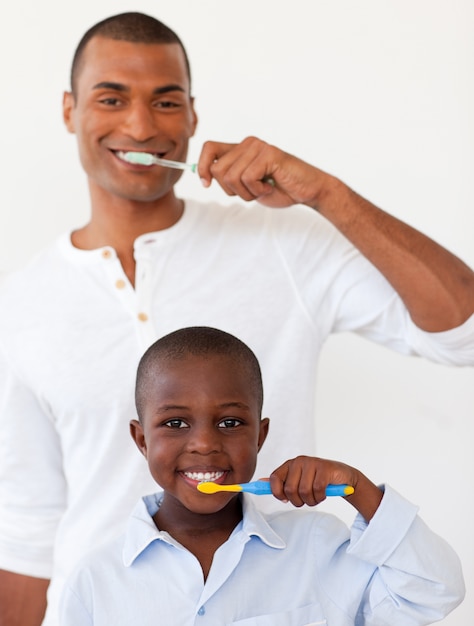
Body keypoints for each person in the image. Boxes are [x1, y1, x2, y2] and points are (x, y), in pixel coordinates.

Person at [0, 10, 473, 626]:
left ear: (193, 116)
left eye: (166, 102)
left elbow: (463, 328)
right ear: (70, 109)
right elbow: (28, 529)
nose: (140, 125)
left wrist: (324, 193)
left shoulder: (285, 244)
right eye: (112, 97)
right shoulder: (21, 304)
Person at [59, 326, 465, 625]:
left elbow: (434, 590)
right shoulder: (96, 581)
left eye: (231, 422)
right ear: (141, 439)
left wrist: (356, 487)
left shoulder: (317, 547)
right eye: (177, 423)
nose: (204, 444)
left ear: (261, 435)